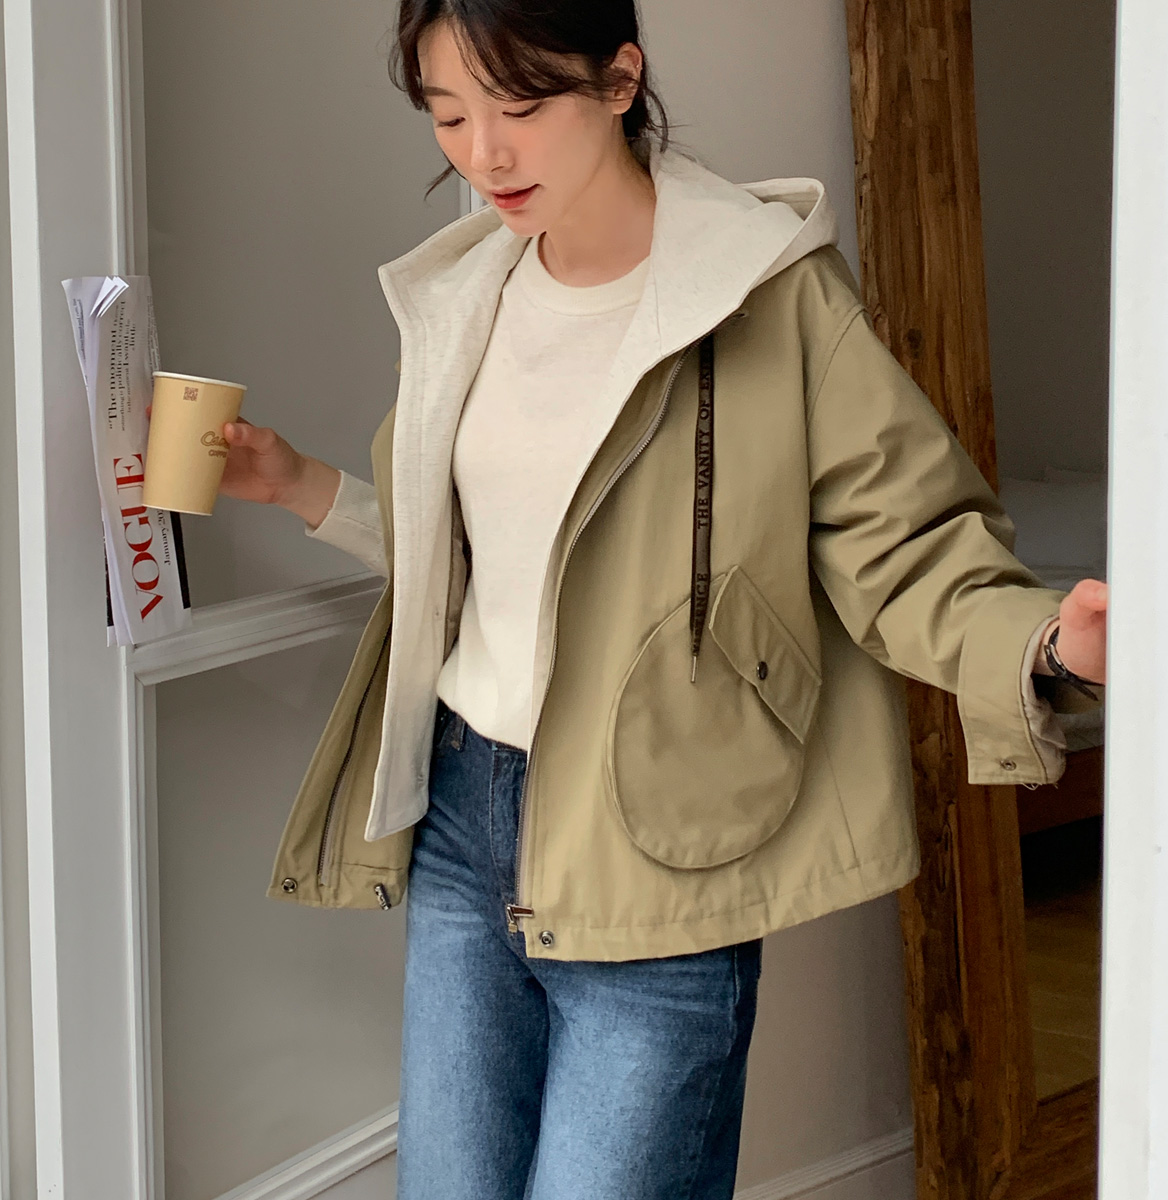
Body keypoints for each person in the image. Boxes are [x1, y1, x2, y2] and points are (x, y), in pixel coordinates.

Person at [214, 2, 1110, 1196]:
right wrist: (299, 485)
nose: (486, 153)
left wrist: (1046, 643)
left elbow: (905, 540)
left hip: (658, 838)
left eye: (521, 106)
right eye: (450, 116)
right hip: (465, 819)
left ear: (619, 78)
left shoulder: (762, 292)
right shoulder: (468, 296)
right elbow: (480, 561)